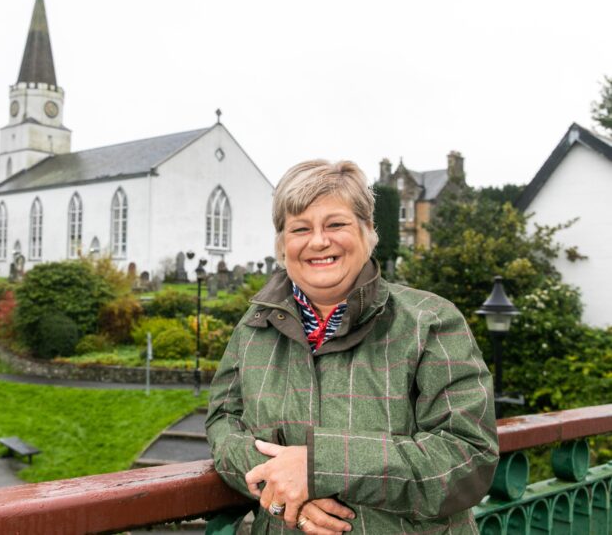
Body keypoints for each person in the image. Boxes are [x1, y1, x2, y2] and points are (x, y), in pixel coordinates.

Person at [205, 160, 498, 534]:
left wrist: (318, 467)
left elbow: (467, 460)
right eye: (299, 228)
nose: (318, 241)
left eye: (336, 224)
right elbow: (222, 424)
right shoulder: (253, 328)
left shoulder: (431, 321)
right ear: (282, 244)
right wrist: (282, 483)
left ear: (368, 231)